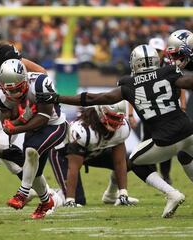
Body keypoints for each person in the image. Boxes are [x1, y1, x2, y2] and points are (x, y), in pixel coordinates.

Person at [36, 44, 193, 218]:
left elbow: (93, 98)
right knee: (186, 155)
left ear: (135, 63)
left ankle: (172, 193)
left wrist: (58, 97)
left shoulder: (129, 84)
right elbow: (188, 82)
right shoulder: (169, 72)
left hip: (165, 138)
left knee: (134, 162)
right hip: (189, 131)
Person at [0, 20, 85, 202]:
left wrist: (28, 100)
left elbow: (40, 72)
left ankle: (39, 192)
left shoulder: (6, 53)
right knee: (9, 157)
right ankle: (40, 192)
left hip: (9, 110)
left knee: (8, 151)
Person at [0, 59, 67, 219]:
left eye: (18, 89)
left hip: (54, 126)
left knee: (31, 151)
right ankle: (47, 202)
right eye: (10, 91)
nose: (14, 94)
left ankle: (22, 193)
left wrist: (18, 126)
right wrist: (17, 121)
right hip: (33, 129)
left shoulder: (40, 82)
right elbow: (6, 123)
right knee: (36, 173)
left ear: (25, 79)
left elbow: (43, 117)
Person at [128, 37, 187, 185]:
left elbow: (182, 85)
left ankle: (165, 175)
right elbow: (129, 92)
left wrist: (183, 105)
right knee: (148, 142)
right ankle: (155, 176)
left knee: (167, 143)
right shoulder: (138, 67)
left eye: (159, 51)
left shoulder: (169, 65)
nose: (157, 54)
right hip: (149, 112)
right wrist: (130, 114)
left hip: (168, 111)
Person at [63, 101, 138, 207]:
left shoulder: (122, 129)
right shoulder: (83, 131)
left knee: (129, 160)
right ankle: (51, 193)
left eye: (117, 118)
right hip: (64, 155)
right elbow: (73, 167)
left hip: (93, 151)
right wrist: (70, 200)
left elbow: (120, 162)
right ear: (101, 113)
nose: (115, 122)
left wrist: (123, 194)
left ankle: (113, 195)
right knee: (78, 200)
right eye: (111, 117)